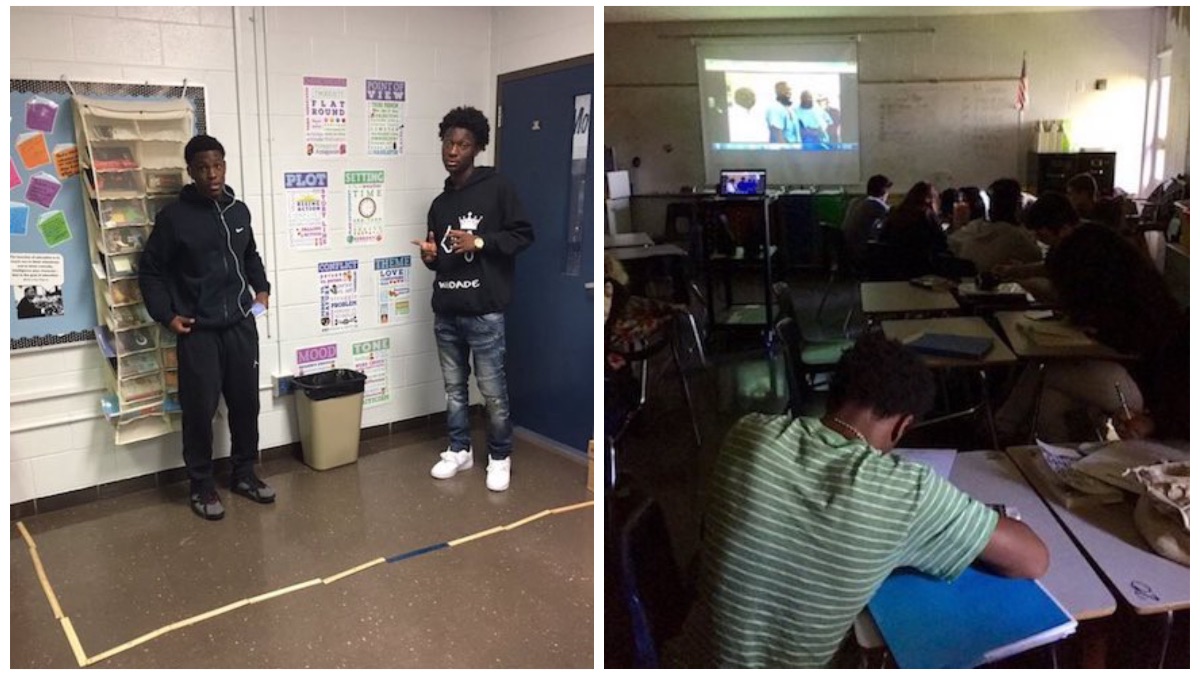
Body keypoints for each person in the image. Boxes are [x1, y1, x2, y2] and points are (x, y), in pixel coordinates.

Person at [664, 331, 1049, 668]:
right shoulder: (907, 493)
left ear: (835, 392)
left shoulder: (749, 435)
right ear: (903, 426)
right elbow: (1033, 559)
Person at [139, 134, 273, 521]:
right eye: (202, 168)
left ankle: (244, 474)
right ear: (191, 171)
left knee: (246, 405)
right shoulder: (174, 219)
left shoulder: (238, 211)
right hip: (198, 332)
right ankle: (200, 485)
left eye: (217, 165)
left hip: (240, 328)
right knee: (199, 412)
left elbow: (250, 255)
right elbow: (150, 272)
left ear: (225, 166)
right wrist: (167, 315)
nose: (212, 174)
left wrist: (261, 290)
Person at [994, 192, 1189, 443]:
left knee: (1046, 371)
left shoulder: (1123, 310)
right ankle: (1060, 462)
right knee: (1051, 401)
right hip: (1140, 379)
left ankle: (1002, 429)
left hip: (1146, 390)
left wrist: (1020, 277)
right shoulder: (1105, 258)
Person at [412, 106, 534, 492]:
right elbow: (442, 258)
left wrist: (479, 241)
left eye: (463, 144)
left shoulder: (498, 188)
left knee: (493, 391)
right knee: (454, 389)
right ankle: (459, 449)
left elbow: (522, 236)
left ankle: (499, 456)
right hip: (447, 310)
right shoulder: (439, 204)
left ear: (477, 148)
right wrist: (430, 257)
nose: (453, 150)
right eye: (449, 143)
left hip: (484, 312)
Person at [948, 178, 1043, 276]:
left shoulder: (974, 227)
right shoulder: (1015, 236)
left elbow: (951, 244)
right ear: (1016, 204)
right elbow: (1037, 257)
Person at [877, 181, 948, 278]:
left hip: (892, 267)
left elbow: (882, 237)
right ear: (930, 199)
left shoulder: (895, 212)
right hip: (920, 269)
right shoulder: (926, 215)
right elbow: (942, 242)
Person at [841, 173, 892, 270]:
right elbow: (895, 217)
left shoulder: (855, 201)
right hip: (863, 251)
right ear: (884, 191)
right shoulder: (874, 203)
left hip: (849, 249)